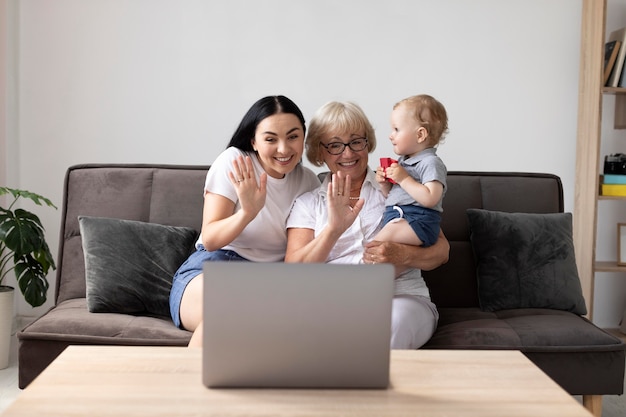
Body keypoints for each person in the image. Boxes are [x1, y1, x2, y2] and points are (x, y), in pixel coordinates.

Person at [285, 101, 449, 349]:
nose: (348, 153)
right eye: (335, 145)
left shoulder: (397, 187)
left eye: (356, 142)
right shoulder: (308, 204)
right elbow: (293, 274)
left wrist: (402, 254)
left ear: (368, 142)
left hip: (400, 297)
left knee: (390, 326)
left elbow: (441, 252)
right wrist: (333, 230)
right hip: (332, 304)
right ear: (320, 152)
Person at [170, 95, 320, 347]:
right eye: (271, 139)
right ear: (254, 140)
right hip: (213, 269)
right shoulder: (236, 162)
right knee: (235, 309)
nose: (284, 149)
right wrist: (246, 213)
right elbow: (210, 239)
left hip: (270, 283)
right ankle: (187, 382)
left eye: (293, 136)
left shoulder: (308, 182)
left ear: (303, 137)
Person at [375, 94, 448, 251]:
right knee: (389, 265)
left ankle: (361, 269)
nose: (390, 135)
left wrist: (404, 179)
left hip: (418, 221)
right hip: (400, 218)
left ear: (420, 135)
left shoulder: (430, 162)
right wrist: (385, 185)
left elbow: (430, 198)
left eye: (396, 129)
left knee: (375, 247)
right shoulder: (403, 162)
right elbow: (397, 196)